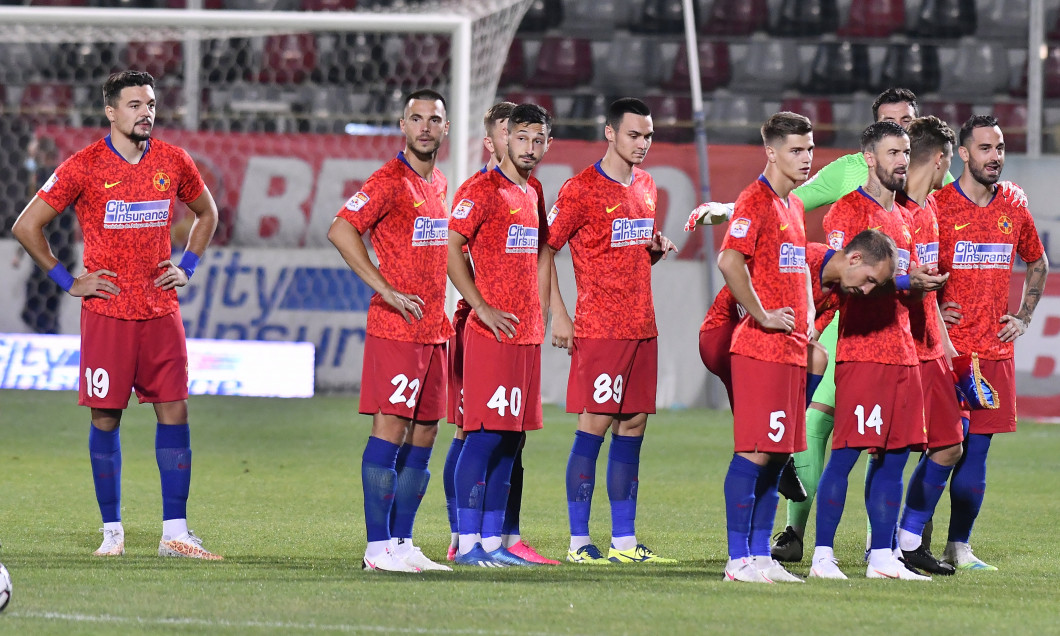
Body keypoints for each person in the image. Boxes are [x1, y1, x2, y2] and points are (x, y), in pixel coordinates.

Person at [688, 88, 1020, 563]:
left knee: (834, 441)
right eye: (894, 136)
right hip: (793, 328)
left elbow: (827, 274)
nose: (904, 147)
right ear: (871, 146)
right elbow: (762, 237)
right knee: (799, 433)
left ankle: (859, 550)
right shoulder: (836, 190)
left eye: (909, 135)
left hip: (851, 339)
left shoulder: (911, 206)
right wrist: (763, 303)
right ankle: (787, 543)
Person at [12, 70, 221, 560]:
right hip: (107, 313)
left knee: (176, 412)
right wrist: (68, 281)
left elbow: (207, 213)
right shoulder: (83, 166)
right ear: (111, 112)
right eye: (133, 104)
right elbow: (27, 226)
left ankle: (175, 533)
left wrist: (187, 265)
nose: (145, 111)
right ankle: (113, 530)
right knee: (106, 418)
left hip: (160, 311)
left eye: (150, 103)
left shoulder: (173, 161)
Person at [327, 88, 454, 573]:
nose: (425, 126)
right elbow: (341, 229)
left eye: (434, 119)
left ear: (445, 127)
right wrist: (386, 286)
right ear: (402, 126)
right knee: (391, 429)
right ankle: (376, 549)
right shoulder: (389, 180)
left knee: (425, 433)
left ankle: (402, 543)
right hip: (396, 328)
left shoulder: (439, 182)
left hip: (434, 330)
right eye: (416, 118)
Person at [547, 98, 678, 565]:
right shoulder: (580, 188)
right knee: (594, 427)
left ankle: (624, 541)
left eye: (647, 136)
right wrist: (558, 315)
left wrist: (654, 250)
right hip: (600, 327)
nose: (642, 144)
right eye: (633, 135)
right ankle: (579, 541)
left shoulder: (646, 186)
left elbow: (626, 248)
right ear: (609, 133)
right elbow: (546, 250)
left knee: (634, 426)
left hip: (643, 324)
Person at [810, 121, 937, 581]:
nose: (902, 161)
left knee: (895, 456)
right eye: (892, 152)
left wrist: (923, 289)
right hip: (863, 351)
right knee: (846, 453)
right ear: (869, 157)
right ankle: (823, 555)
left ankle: (882, 556)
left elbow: (905, 284)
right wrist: (904, 281)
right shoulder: (845, 213)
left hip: (904, 352)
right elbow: (845, 284)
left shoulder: (906, 218)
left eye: (906, 152)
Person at [442, 101, 558, 565]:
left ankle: (492, 541)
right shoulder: (481, 188)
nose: (530, 147)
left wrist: (545, 311)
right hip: (491, 334)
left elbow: (542, 253)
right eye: (522, 138)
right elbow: (451, 248)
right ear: (504, 138)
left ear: (549, 143)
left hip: (526, 334)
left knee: (511, 437)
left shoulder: (532, 192)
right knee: (483, 435)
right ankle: (466, 541)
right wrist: (483, 307)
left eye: (539, 140)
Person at [933, 115, 1049, 570]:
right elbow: (920, 270)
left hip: (995, 352)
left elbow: (1037, 263)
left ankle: (959, 545)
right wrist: (935, 308)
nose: (995, 156)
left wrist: (1023, 316)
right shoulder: (940, 206)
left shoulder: (1014, 203)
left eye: (999, 148)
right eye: (984, 148)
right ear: (963, 154)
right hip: (949, 351)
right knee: (940, 450)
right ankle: (908, 539)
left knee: (976, 455)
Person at [715, 111, 815, 584]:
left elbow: (795, 270)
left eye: (810, 149)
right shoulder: (753, 200)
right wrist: (761, 314)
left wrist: (809, 315)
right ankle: (737, 559)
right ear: (771, 152)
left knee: (775, 456)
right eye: (796, 150)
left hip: (791, 351)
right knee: (755, 452)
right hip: (759, 349)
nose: (806, 158)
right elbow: (729, 259)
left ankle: (760, 554)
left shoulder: (792, 206)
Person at [893, 116, 965, 576]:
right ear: (939, 158)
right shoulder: (892, 211)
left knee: (949, 443)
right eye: (949, 162)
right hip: (896, 348)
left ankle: (908, 540)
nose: (949, 172)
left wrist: (948, 346)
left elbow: (930, 289)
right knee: (886, 452)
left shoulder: (929, 211)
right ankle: (875, 548)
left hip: (931, 348)